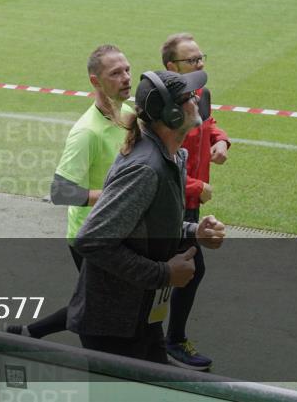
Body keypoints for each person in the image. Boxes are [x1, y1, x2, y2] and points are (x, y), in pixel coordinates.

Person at [68, 69, 226, 361]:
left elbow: (146, 225)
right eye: (189, 97)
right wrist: (164, 273)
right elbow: (91, 240)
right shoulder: (145, 168)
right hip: (115, 327)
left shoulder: (172, 156)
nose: (197, 101)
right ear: (171, 113)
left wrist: (194, 232)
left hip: (141, 314)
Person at [6, 44, 132, 338]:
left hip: (118, 231)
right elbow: (60, 192)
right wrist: (111, 196)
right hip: (91, 237)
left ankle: (27, 332)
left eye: (127, 70)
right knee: (102, 307)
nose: (126, 77)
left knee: (102, 302)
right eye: (116, 73)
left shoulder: (128, 113)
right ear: (95, 81)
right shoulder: (87, 132)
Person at [161, 33, 231, 370]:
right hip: (173, 199)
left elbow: (210, 124)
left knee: (181, 268)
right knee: (188, 267)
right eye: (192, 60)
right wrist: (195, 185)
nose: (200, 64)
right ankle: (171, 341)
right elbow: (159, 159)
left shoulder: (201, 94)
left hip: (192, 199)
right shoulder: (165, 106)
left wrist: (221, 142)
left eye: (202, 57)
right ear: (171, 67)